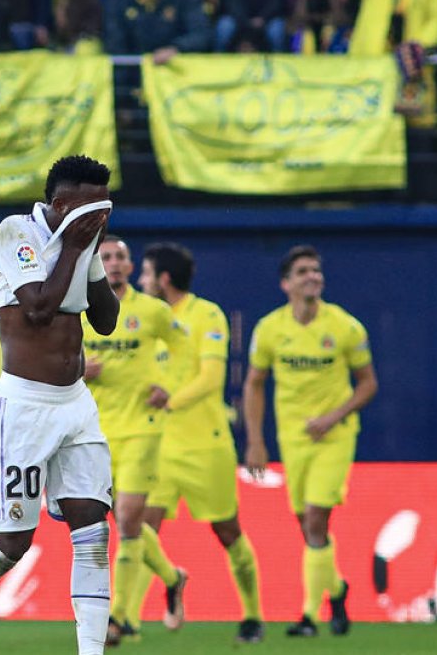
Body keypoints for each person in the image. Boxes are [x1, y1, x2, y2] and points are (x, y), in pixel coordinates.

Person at [0, 155, 120, 655]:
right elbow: (36, 309)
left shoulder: (86, 242)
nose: (100, 215)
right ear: (59, 204)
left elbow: (107, 321)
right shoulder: (15, 233)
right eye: (89, 205)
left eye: (105, 205)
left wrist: (91, 251)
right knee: (11, 544)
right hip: (24, 408)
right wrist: (75, 247)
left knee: (93, 530)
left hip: (75, 404)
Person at [131, 242, 265, 644]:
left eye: (147, 273)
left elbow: (210, 380)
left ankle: (253, 615)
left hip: (205, 445)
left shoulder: (207, 315)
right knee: (138, 526)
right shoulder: (142, 317)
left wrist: (169, 399)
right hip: (157, 444)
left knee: (227, 531)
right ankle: (127, 619)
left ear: (164, 279)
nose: (141, 280)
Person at [243, 245, 378, 637]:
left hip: (335, 436)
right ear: (286, 284)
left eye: (316, 271)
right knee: (307, 525)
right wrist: (255, 441)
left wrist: (333, 417)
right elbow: (254, 383)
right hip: (293, 437)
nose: (312, 277)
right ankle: (336, 591)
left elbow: (368, 383)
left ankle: (308, 616)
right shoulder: (270, 329)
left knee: (317, 518)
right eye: (303, 272)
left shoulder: (346, 327)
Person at [79, 235, 186, 646]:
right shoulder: (81, 311)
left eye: (121, 256)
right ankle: (173, 578)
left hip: (143, 426)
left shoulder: (153, 312)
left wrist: (169, 386)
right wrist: (79, 368)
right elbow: (58, 358)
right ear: (95, 265)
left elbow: (185, 351)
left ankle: (119, 617)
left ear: (129, 264)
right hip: (96, 431)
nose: (115, 263)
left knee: (126, 520)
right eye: (106, 257)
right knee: (123, 522)